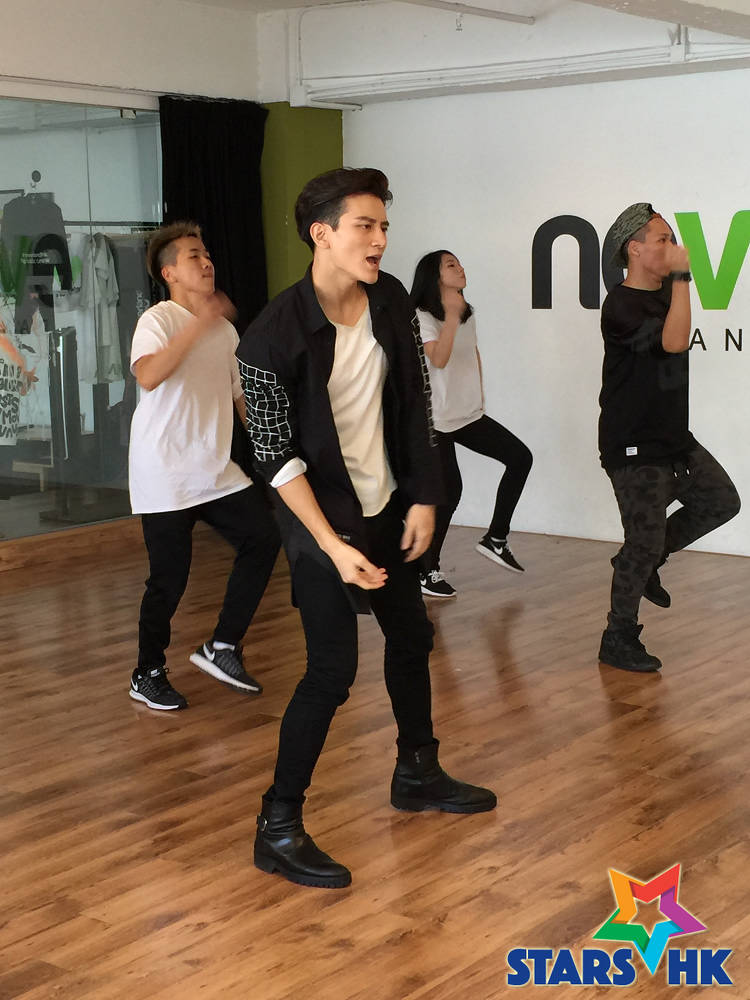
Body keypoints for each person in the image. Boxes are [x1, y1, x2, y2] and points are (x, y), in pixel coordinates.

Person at [237, 168, 496, 890]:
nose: (380, 239)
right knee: (331, 671)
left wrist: (425, 497)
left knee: (411, 638)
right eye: (365, 226)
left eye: (384, 226)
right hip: (319, 521)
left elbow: (414, 401)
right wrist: (330, 545)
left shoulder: (389, 300)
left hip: (386, 507)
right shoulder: (268, 338)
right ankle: (278, 825)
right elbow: (274, 457)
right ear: (321, 233)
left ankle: (417, 772)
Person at [128, 221, 280, 710]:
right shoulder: (158, 319)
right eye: (194, 255)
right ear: (170, 273)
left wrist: (271, 450)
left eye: (207, 253)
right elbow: (148, 375)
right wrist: (199, 322)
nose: (207, 261)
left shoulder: (226, 330)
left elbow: (239, 397)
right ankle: (147, 672)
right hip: (164, 472)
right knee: (168, 580)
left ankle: (223, 645)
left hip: (215, 470)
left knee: (264, 537)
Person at [598, 202, 740, 673]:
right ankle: (618, 638)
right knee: (641, 540)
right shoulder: (620, 305)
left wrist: (676, 284)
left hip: (674, 438)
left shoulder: (662, 295)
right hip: (632, 445)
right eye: (663, 240)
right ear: (634, 250)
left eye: (672, 239)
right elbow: (674, 342)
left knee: (721, 501)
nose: (674, 247)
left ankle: (648, 557)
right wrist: (682, 278)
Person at [410, 251, 533, 598]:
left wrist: (479, 396)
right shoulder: (421, 316)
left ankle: (496, 538)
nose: (460, 268)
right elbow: (439, 358)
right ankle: (426, 571)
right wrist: (450, 317)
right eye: (451, 265)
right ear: (434, 276)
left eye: (460, 263)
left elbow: (472, 353)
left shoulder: (467, 312)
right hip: (435, 420)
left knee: (520, 457)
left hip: (467, 414)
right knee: (450, 492)